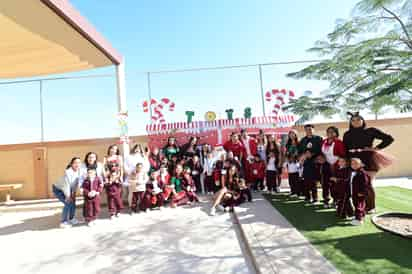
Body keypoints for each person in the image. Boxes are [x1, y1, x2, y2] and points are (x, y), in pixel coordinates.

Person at [343, 112, 394, 213]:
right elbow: (345, 149)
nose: (356, 122)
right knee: (356, 185)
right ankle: (359, 206)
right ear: (350, 122)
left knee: (368, 184)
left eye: (358, 120)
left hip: (368, 161)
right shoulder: (347, 134)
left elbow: (389, 139)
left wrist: (376, 148)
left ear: (363, 120)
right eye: (353, 120)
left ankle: (371, 207)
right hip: (353, 162)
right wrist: (346, 161)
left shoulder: (371, 131)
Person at [52, 157, 82, 228]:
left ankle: (72, 219)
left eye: (79, 163)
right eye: (75, 163)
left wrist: (73, 193)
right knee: (68, 203)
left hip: (70, 189)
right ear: (71, 164)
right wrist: (68, 196)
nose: (77, 164)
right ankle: (63, 222)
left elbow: (76, 183)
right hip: (59, 189)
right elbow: (66, 186)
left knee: (73, 204)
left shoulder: (79, 171)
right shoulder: (68, 172)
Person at [349, 158, 370, 226]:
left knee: (359, 205)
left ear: (360, 164)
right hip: (354, 192)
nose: (354, 165)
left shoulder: (362, 173)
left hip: (360, 193)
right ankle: (362, 215)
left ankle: (359, 219)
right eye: (352, 164)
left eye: (356, 164)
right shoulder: (353, 172)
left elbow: (366, 183)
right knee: (356, 204)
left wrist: (362, 192)